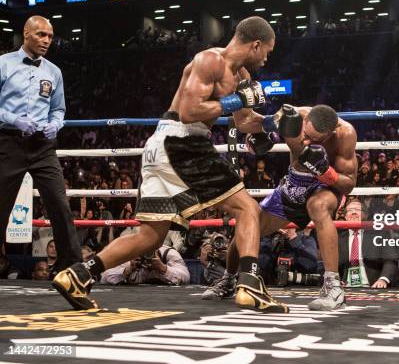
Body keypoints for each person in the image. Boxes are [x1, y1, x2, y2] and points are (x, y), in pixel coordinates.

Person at [53, 16, 294, 313]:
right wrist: (236, 100)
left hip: (164, 146)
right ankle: (250, 285)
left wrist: (273, 121)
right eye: (267, 51)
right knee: (248, 209)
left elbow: (244, 122)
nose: (267, 58)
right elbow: (190, 111)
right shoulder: (209, 60)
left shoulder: (242, 76)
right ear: (256, 44)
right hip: (181, 140)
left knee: (150, 235)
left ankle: (77, 274)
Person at [202, 104, 358, 311]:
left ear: (331, 132)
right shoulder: (293, 115)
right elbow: (255, 123)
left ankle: (333, 287)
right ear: (306, 120)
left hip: (323, 188)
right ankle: (229, 279)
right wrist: (258, 135)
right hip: (292, 186)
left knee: (318, 206)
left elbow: (349, 184)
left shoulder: (345, 134)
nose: (307, 142)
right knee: (250, 224)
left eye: (314, 139)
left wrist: (326, 171)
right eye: (306, 135)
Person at [0, 16, 81, 278]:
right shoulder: (3, 64)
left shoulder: (53, 71)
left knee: (60, 204)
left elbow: (58, 109)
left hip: (43, 146)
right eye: (41, 35)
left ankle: (72, 269)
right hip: (8, 142)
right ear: (26, 33)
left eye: (50, 35)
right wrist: (14, 120)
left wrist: (55, 125)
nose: (47, 40)